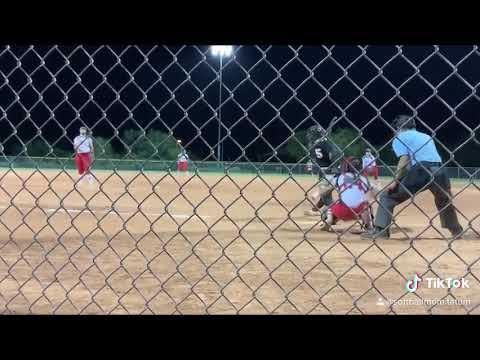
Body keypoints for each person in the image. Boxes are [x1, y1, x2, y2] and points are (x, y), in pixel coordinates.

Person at [362, 114, 464, 239]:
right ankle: (456, 230)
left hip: (422, 169)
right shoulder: (426, 136)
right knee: (444, 200)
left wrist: (395, 181)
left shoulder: (400, 137)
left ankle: (381, 231)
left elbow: (404, 160)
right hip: (440, 170)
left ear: (398, 128)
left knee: (387, 196)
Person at [318, 157, 374, 233]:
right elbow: (371, 194)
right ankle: (369, 226)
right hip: (359, 211)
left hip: (341, 210)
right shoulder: (364, 179)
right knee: (366, 205)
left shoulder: (339, 177)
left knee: (331, 206)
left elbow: (323, 193)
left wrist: (323, 186)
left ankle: (329, 221)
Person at [304, 124, 343, 217]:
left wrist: (333, 166)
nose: (310, 136)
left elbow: (334, 153)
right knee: (325, 194)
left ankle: (336, 213)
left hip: (328, 171)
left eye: (312, 134)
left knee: (326, 196)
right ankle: (318, 210)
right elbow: (334, 152)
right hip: (328, 171)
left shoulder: (318, 144)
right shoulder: (324, 142)